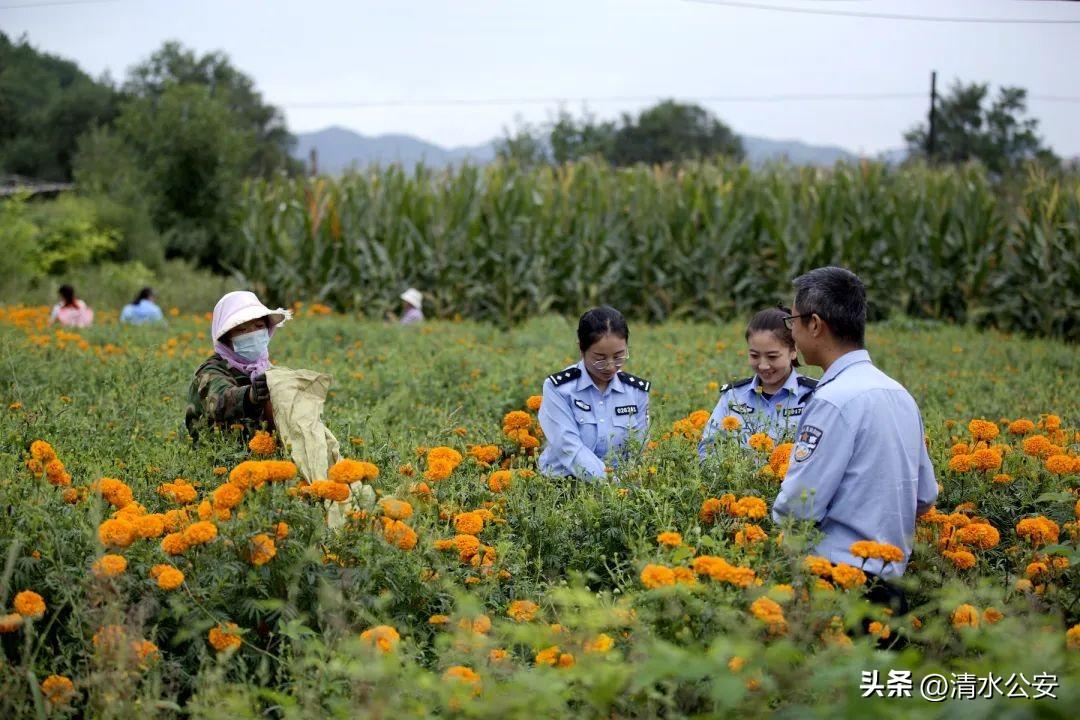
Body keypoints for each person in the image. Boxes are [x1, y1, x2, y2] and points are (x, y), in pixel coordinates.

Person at [771, 267, 938, 608]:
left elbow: (800, 505)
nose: (792, 331)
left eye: (794, 321)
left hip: (839, 584)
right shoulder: (899, 394)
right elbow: (925, 496)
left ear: (815, 324)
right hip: (892, 586)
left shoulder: (833, 400)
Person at [537, 306, 651, 481]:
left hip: (621, 495)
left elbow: (639, 448)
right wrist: (612, 485)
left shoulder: (636, 391)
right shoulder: (559, 389)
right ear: (581, 350)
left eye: (619, 356)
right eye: (600, 358)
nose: (611, 366)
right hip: (564, 487)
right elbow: (569, 448)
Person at [699, 307, 817, 459]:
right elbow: (707, 447)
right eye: (754, 355)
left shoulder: (813, 396)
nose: (763, 365)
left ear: (793, 351)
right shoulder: (733, 396)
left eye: (772, 356)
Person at [184, 291, 291, 439]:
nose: (253, 334)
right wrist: (250, 396)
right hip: (218, 454)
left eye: (259, 326)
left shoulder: (264, 367)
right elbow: (219, 399)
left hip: (259, 453)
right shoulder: (211, 371)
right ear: (226, 338)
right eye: (242, 329)